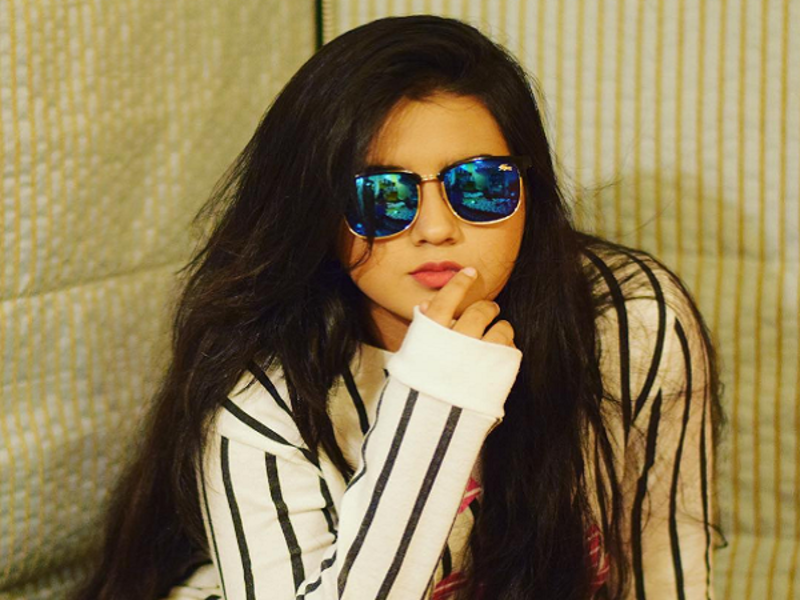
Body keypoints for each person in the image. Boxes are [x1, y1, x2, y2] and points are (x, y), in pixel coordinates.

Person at [71, 14, 726, 600]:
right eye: (382, 196)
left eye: (480, 184)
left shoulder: (633, 322)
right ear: (318, 209)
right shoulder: (265, 393)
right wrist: (436, 399)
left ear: (530, 189)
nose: (436, 227)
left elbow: (667, 570)